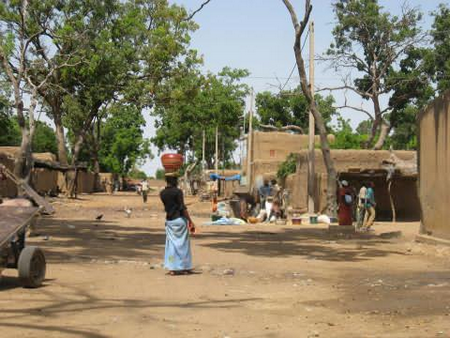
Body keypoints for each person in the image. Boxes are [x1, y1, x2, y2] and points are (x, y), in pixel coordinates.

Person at [160, 174, 195, 275]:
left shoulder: (162, 193)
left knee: (171, 245)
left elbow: (169, 206)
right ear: (175, 181)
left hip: (170, 221)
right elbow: (182, 208)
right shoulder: (178, 192)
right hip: (179, 220)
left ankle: (172, 268)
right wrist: (191, 221)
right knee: (183, 245)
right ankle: (185, 267)